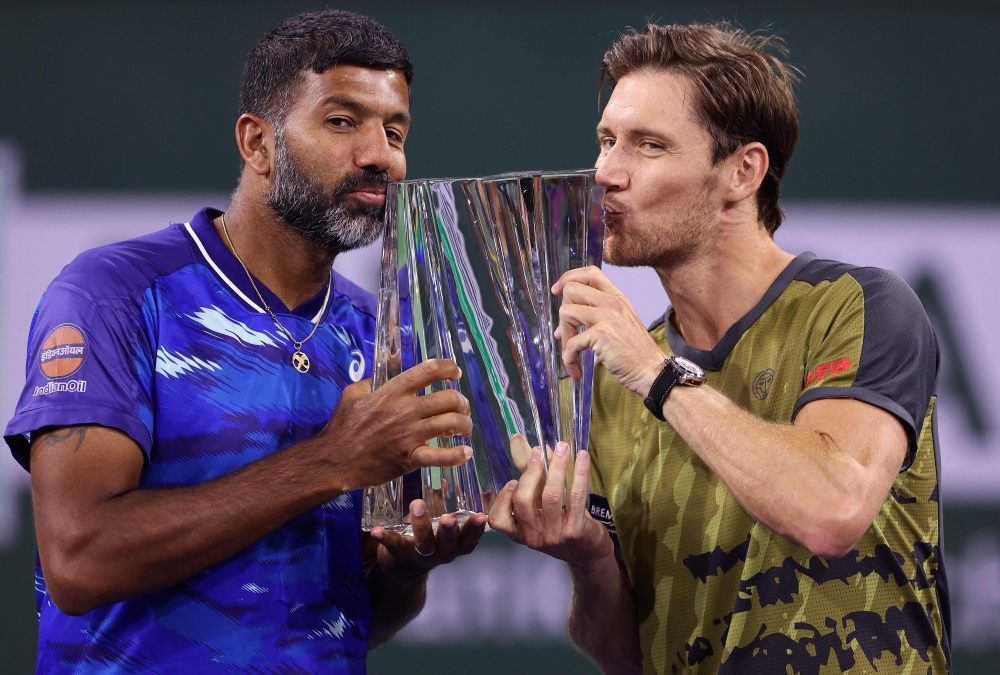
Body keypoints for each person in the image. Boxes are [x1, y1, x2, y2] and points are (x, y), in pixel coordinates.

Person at [4, 10, 486, 674]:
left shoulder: (382, 335)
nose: (380, 154)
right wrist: (332, 461)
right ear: (258, 144)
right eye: (343, 122)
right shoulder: (114, 294)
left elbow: (346, 617)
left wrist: (407, 572)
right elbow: (79, 558)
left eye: (394, 130)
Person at [489, 22, 950, 674]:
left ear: (743, 171)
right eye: (606, 141)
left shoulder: (858, 305)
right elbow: (628, 657)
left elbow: (832, 508)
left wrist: (654, 371)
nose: (606, 174)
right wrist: (589, 558)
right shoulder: (611, 384)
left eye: (648, 146)